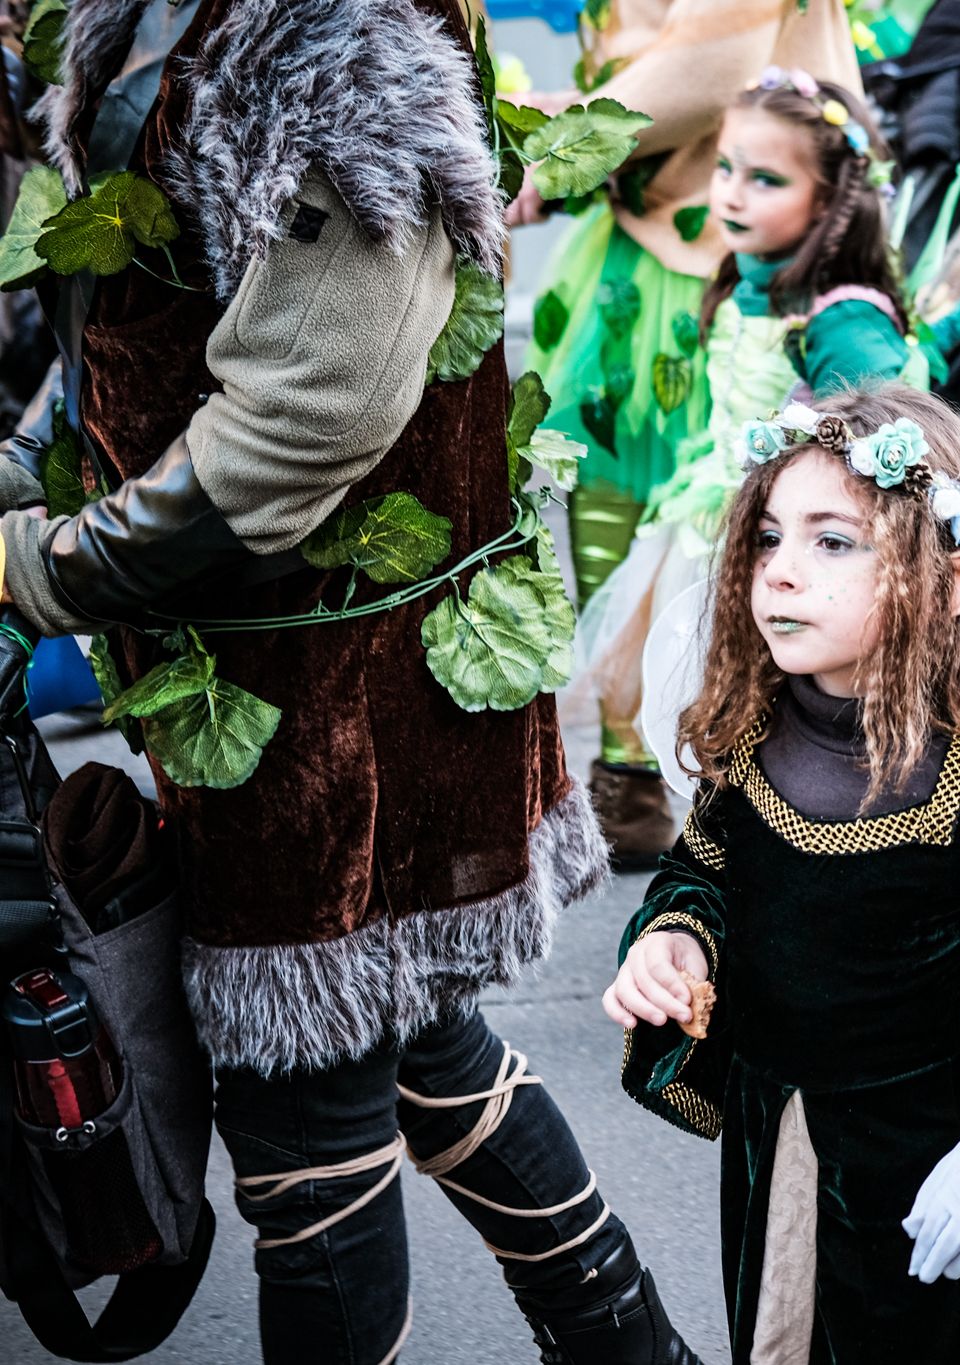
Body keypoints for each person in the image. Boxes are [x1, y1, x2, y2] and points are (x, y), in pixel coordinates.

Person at [0, 2, 692, 1361]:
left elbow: (299, 423)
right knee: (428, 1058)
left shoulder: (339, 37)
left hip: (345, 722)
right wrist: (34, 473)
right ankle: (633, 1345)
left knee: (306, 1134)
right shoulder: (141, 17)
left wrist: (33, 566)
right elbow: (132, 330)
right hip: (263, 686)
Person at [605, 387, 960, 1361]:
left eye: (831, 543)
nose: (779, 574)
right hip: (772, 1153)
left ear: (950, 581)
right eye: (768, 539)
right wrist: (672, 939)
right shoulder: (745, 737)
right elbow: (700, 875)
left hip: (927, 1173)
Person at [509, 0, 862, 867]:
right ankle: (630, 768)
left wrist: (559, 137)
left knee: (728, 534)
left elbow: (697, 74)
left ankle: (741, 766)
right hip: (637, 257)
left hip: (735, 262)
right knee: (614, 512)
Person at [571, 72, 924, 802]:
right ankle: (719, 833)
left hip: (782, 537)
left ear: (829, 200)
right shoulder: (744, 281)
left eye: (764, 179)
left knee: (763, 695)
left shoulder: (838, 320)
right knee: (715, 694)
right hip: (712, 519)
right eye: (724, 168)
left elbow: (880, 437)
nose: (730, 193)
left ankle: (772, 824)